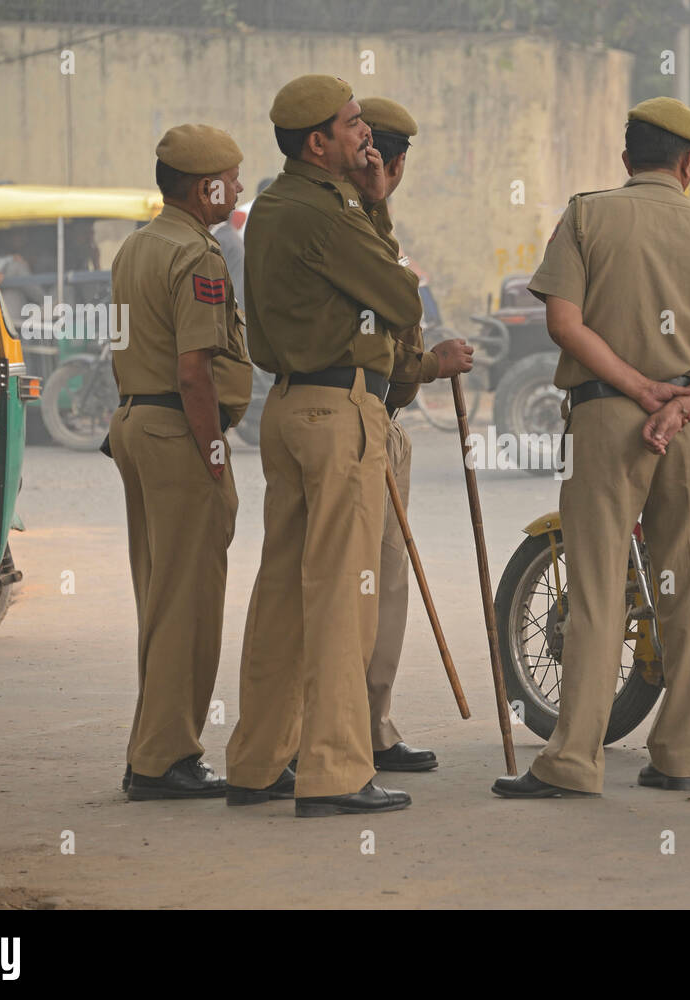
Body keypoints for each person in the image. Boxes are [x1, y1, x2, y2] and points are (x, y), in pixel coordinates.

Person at [492, 96, 690, 799]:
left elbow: (563, 322)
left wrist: (637, 389)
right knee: (689, 588)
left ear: (625, 159)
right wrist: (684, 403)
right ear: (688, 164)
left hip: (609, 420)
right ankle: (681, 755)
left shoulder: (588, 216)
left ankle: (574, 761)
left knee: (597, 586)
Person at [224, 75, 423, 817]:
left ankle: (255, 761)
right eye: (352, 126)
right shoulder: (331, 211)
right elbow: (402, 300)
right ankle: (337, 769)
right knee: (345, 596)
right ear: (318, 143)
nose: (364, 137)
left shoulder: (275, 205)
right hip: (339, 408)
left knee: (282, 592)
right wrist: (377, 202)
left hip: (288, 406)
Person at [109, 124, 253, 800]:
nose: (241, 186)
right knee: (188, 602)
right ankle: (165, 758)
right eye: (233, 176)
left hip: (138, 422)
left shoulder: (136, 245)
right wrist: (216, 456)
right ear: (206, 187)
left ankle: (152, 749)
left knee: (161, 594)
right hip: (181, 429)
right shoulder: (199, 257)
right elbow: (195, 372)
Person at [357, 96, 474, 772]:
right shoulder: (361, 231)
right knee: (370, 584)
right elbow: (395, 351)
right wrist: (434, 365)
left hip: (353, 414)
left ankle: (365, 725)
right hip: (366, 415)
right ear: (394, 164)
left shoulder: (328, 217)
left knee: (364, 582)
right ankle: (361, 729)